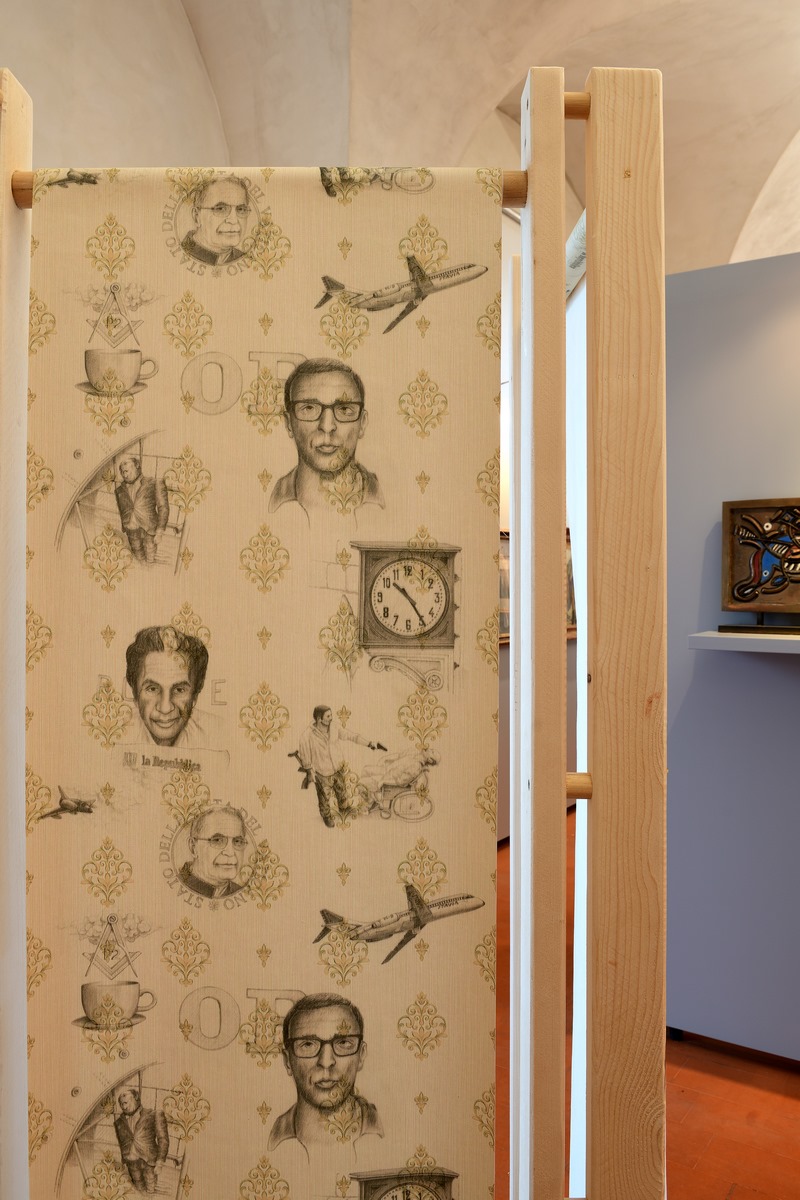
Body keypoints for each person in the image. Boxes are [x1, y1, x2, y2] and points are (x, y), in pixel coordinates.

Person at [269, 994, 382, 1152]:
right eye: (308, 1044)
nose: (326, 1062)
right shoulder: (273, 1140)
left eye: (343, 1042)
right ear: (287, 1061)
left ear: (361, 1055)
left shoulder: (382, 1129)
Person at [269, 359, 383, 514]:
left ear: (362, 423)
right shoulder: (274, 503)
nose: (327, 426)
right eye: (309, 408)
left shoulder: (381, 498)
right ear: (289, 423)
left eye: (344, 409)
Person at [125, 625, 215, 748]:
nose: (165, 708)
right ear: (135, 694)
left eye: (179, 690)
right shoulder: (117, 737)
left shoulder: (216, 734)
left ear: (195, 696)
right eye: (152, 689)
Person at [296, 706, 383, 827]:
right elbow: (305, 756)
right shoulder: (307, 736)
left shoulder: (334, 727)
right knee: (324, 797)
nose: (331, 718)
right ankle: (326, 816)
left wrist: (369, 744)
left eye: (331, 715)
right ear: (319, 719)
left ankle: (344, 808)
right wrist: (310, 771)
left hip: (338, 768)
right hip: (322, 773)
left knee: (341, 791)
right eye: (328, 716)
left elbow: (351, 736)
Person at [181, 175, 254, 266]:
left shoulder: (248, 261)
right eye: (220, 209)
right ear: (197, 216)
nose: (234, 220)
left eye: (241, 209)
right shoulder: (178, 255)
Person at [178, 805, 248, 898]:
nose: (230, 852)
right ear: (193, 847)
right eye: (217, 840)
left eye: (237, 841)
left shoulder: (244, 893)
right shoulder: (175, 887)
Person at [114, 455, 170, 565]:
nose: (125, 475)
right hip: (131, 528)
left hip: (149, 528)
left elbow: (163, 507)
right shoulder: (119, 490)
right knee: (138, 555)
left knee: (150, 556)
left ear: (137, 467)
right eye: (122, 472)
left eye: (127, 471)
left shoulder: (153, 483)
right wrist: (125, 526)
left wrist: (160, 531)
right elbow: (122, 510)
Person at [113, 1087, 169, 1195]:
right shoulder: (118, 1122)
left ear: (136, 1098)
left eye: (126, 1103)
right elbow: (122, 1142)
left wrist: (160, 1162)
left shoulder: (153, 1114)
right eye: (121, 1104)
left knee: (150, 1189)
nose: (124, 1107)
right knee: (138, 1188)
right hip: (131, 1161)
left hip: (149, 1160)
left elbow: (163, 1139)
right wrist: (124, 1159)